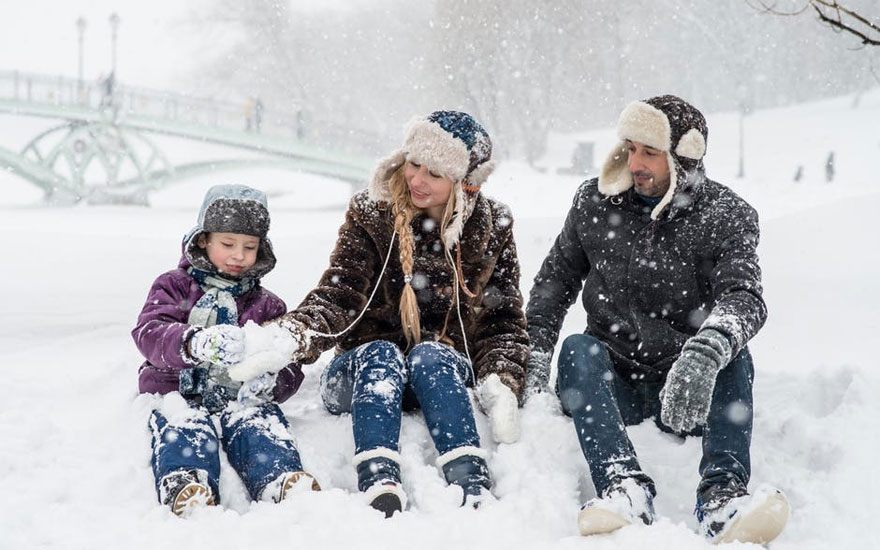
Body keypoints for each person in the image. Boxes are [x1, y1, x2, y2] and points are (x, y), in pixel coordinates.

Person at [525, 95, 789, 544]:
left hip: (688, 390)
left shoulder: (726, 215)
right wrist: (532, 359)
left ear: (683, 158)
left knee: (733, 352)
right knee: (576, 349)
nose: (635, 162)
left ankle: (723, 498)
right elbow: (553, 286)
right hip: (612, 384)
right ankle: (622, 486)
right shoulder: (593, 203)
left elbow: (744, 297)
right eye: (630, 148)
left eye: (650, 152)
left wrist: (705, 353)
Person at [264, 111, 529, 517]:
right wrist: (292, 335)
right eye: (414, 164)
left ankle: (469, 476)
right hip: (362, 375)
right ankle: (379, 474)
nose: (417, 180)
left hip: (437, 378)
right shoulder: (372, 213)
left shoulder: (494, 226)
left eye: (435, 174)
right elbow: (339, 295)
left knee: (432, 354)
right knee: (382, 355)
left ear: (464, 184)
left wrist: (501, 378)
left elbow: (503, 319)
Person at [133, 184, 320, 517]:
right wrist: (193, 342)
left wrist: (272, 382)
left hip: (240, 398)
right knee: (184, 425)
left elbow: (288, 362)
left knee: (260, 424)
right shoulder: (174, 286)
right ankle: (187, 480)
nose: (239, 256)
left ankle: (279, 477)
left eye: (249, 247)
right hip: (176, 390)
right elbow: (150, 332)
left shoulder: (268, 305)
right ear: (203, 239)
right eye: (228, 244)